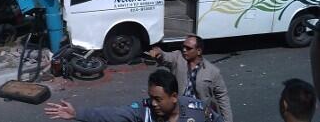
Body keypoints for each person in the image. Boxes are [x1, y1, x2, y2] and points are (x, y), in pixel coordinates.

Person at [44, 69, 222, 122]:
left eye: (158, 99)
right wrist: (77, 114)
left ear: (174, 96)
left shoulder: (196, 110)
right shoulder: (144, 111)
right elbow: (113, 114)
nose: (153, 103)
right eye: (151, 98)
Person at [149, 35, 233, 122]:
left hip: (198, 113)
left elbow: (222, 97)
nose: (184, 50)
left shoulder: (213, 71)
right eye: (183, 47)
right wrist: (159, 52)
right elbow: (165, 57)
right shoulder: (178, 58)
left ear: (199, 51)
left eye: (188, 48)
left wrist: (227, 120)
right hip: (179, 110)